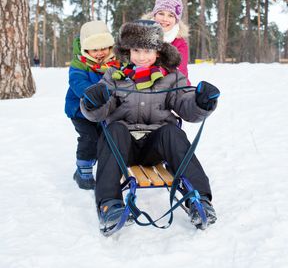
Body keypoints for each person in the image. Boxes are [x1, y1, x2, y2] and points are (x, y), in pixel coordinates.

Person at [80, 20, 220, 230]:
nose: (141, 56)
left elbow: (185, 104)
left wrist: (201, 102)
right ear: (128, 50)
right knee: (114, 129)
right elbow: (101, 111)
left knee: (172, 132)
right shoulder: (114, 76)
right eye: (136, 50)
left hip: (156, 146)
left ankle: (199, 200)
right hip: (123, 147)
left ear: (158, 51)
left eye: (148, 50)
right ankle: (110, 205)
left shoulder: (172, 77)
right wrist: (93, 103)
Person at [65, 20, 118, 190]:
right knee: (89, 139)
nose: (100, 53)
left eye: (103, 48)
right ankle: (83, 171)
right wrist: (92, 94)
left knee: (106, 139)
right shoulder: (79, 64)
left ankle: (105, 169)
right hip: (81, 110)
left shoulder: (115, 64)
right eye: (95, 49)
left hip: (104, 110)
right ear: (86, 49)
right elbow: (77, 83)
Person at [142, 0, 190, 84]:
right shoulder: (142, 35)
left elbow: (180, 72)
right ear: (154, 15)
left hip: (173, 87)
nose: (165, 19)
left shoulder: (180, 43)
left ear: (176, 20)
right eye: (161, 13)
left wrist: (157, 72)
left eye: (170, 15)